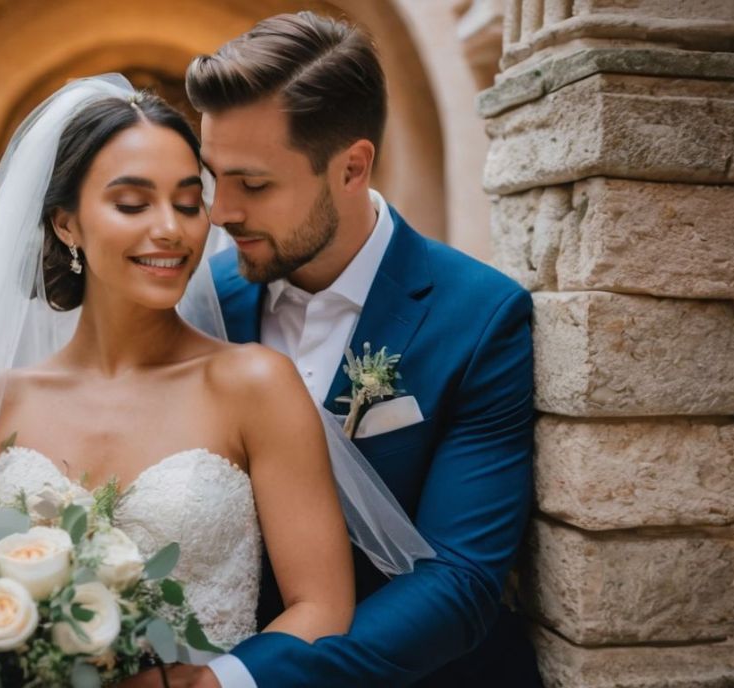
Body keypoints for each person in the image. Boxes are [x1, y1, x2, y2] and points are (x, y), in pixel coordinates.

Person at [0, 75, 432, 687]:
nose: (171, 229)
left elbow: (321, 607)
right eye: (132, 203)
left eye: (187, 202)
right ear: (66, 223)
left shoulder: (254, 384)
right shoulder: (6, 399)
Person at [160, 11, 541, 688]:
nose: (220, 214)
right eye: (215, 178)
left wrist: (237, 682)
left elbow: (460, 580)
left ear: (352, 167)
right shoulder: (202, 302)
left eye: (254, 185)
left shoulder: (480, 318)